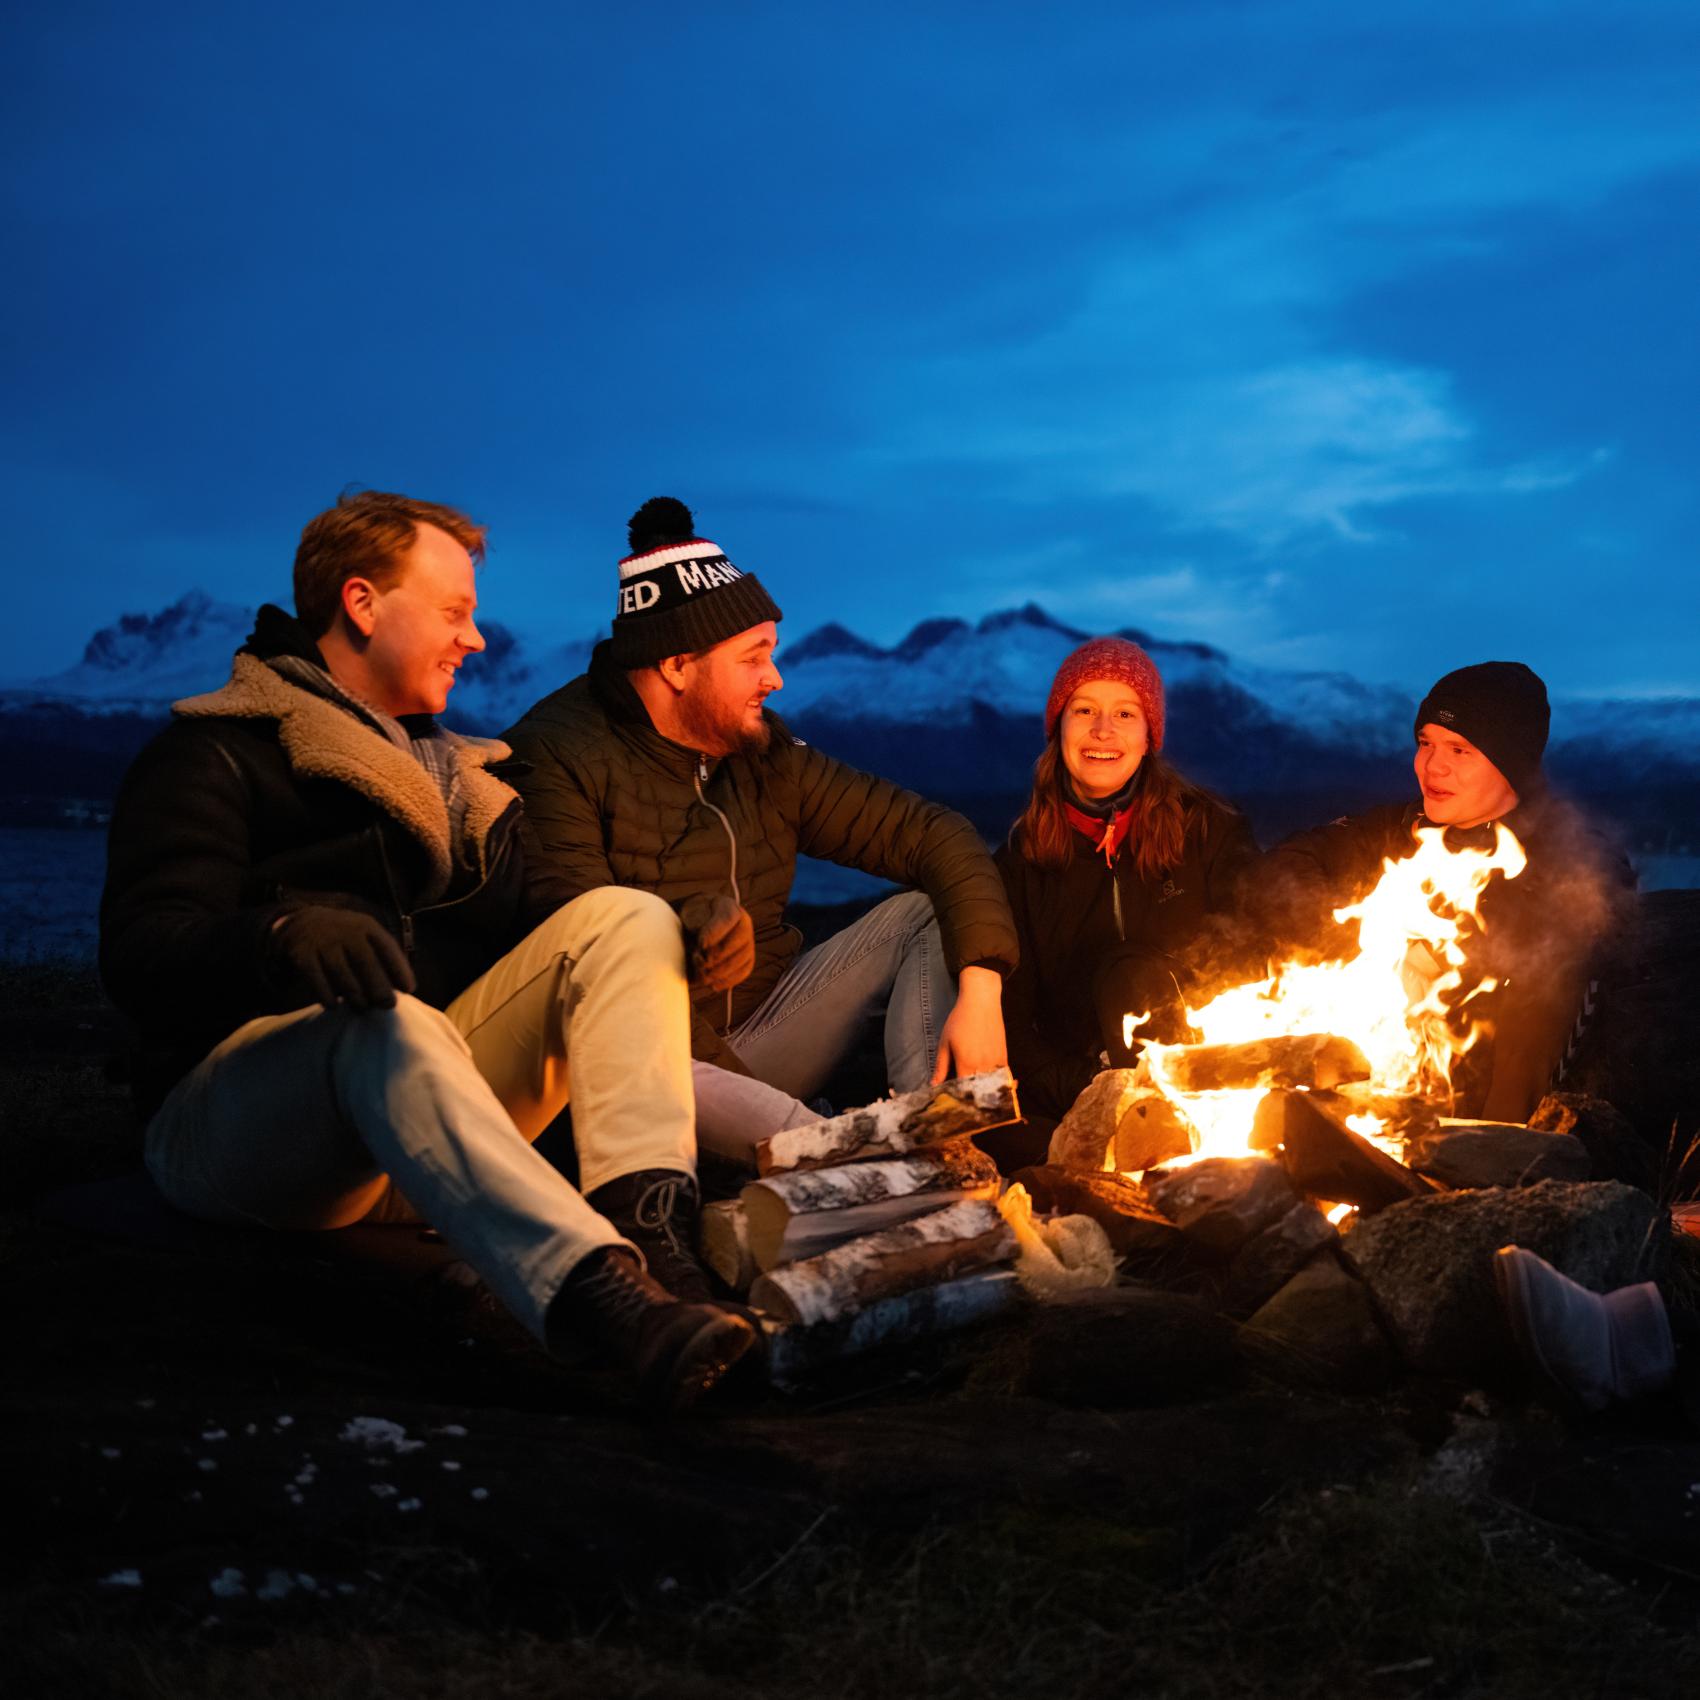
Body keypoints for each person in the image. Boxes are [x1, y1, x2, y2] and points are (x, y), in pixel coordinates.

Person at [98, 489, 772, 1413]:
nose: (478, 638)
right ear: (363, 602)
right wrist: (282, 937)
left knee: (627, 917)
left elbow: (559, 931)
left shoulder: (463, 781)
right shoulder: (216, 752)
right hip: (243, 1134)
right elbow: (141, 952)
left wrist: (687, 930)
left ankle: (658, 1252)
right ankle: (606, 1303)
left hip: (425, 1130)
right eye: (456, 612)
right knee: (386, 1023)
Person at [502, 497, 1020, 1154]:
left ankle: (934, 1146)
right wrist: (772, 1112)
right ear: (677, 665)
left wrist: (981, 987)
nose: (774, 679)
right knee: (632, 1023)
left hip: (760, 1044)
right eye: (753, 657)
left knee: (921, 911)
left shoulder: (761, 756)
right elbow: (592, 980)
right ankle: (854, 1160)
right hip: (639, 1079)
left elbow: (933, 833)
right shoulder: (555, 761)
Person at [1245, 660, 1632, 1124]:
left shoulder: (1569, 849)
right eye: (1425, 743)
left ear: (1510, 762)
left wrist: (1442, 949)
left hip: (1497, 1104)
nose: (1434, 765)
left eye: (1460, 749)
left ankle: (1496, 1162)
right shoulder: (1398, 829)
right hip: (1390, 1084)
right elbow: (1285, 867)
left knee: (1548, 980)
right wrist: (1369, 940)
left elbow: (1591, 917)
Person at [993, 637, 1258, 1138]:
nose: (1102, 731)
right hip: (1078, 1092)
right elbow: (1011, 1020)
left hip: (1199, 1077)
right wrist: (1094, 1089)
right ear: (1059, 726)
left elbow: (1251, 958)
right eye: (1085, 710)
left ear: (1148, 734)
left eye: (1125, 714)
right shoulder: (1020, 861)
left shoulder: (1208, 831)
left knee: (1130, 973)